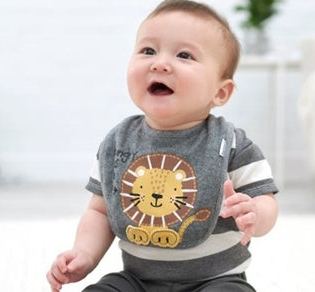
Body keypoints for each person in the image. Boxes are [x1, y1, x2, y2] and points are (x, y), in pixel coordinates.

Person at [46, 0, 279, 291]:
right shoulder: (117, 143)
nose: (159, 63)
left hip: (216, 280)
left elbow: (266, 200)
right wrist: (84, 254)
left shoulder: (231, 145)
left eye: (184, 55)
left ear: (221, 92)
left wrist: (256, 214)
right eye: (148, 50)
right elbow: (100, 212)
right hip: (138, 281)